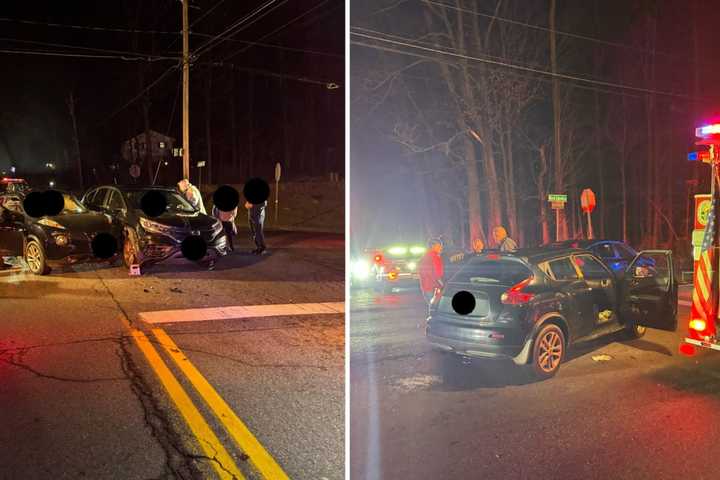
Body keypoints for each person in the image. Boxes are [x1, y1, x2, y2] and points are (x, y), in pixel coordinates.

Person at [418, 237, 444, 304]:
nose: (441, 248)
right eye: (439, 246)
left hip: (425, 287)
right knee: (436, 308)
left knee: (431, 306)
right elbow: (438, 274)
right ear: (433, 246)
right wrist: (443, 284)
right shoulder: (435, 257)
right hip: (434, 287)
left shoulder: (424, 256)